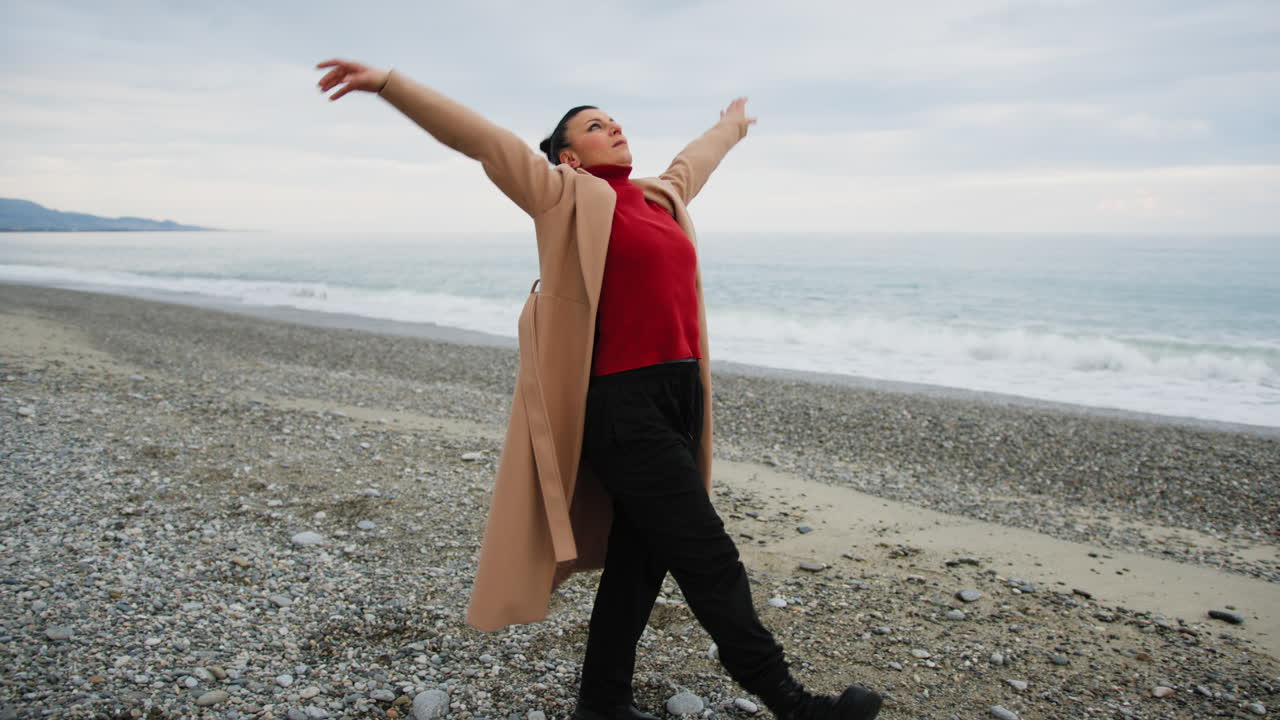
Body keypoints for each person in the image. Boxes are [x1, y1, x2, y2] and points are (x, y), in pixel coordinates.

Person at [315, 59, 882, 720]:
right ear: (566, 154)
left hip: (681, 400)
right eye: (594, 125)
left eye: (615, 121)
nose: (613, 128)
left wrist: (730, 126)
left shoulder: (658, 198)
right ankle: (790, 701)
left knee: (641, 562)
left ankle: (601, 703)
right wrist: (390, 85)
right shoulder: (562, 198)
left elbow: (693, 161)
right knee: (708, 553)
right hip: (622, 404)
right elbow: (483, 140)